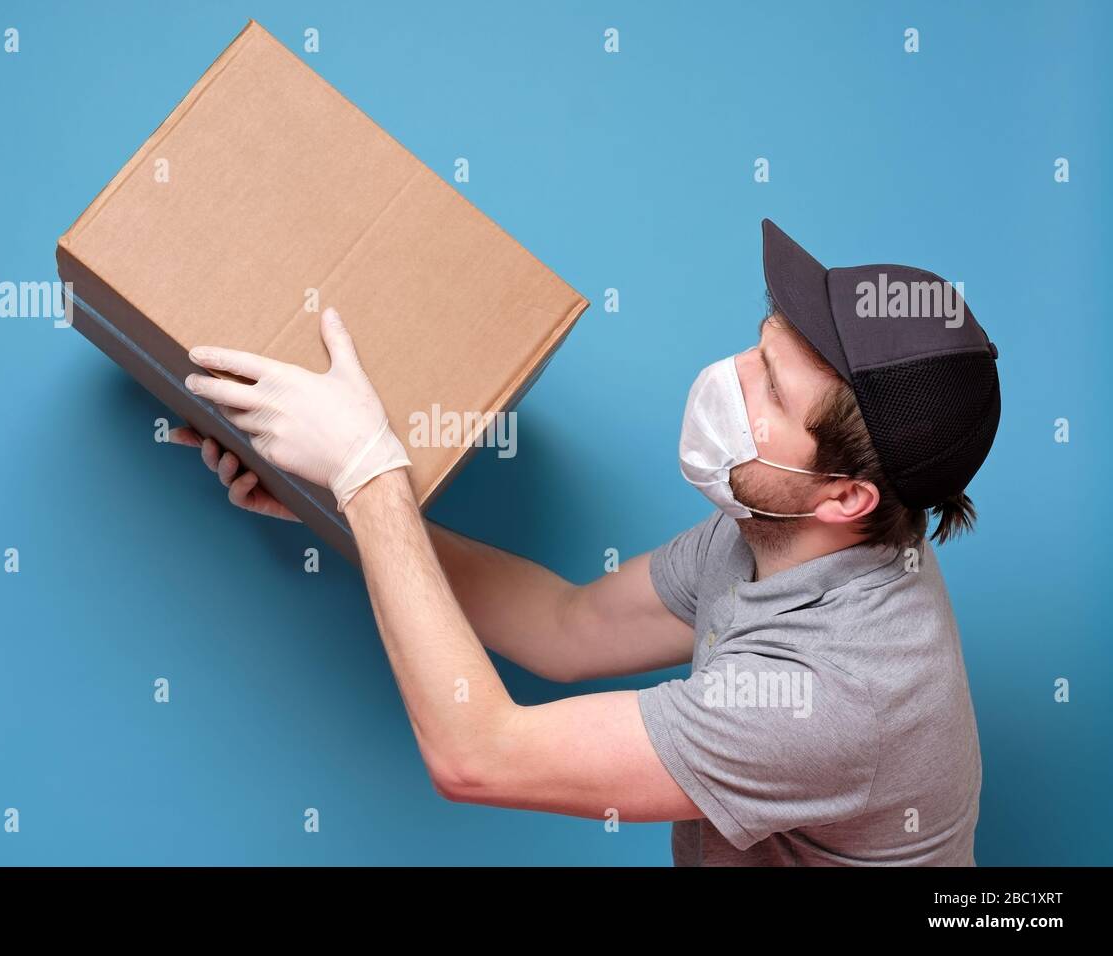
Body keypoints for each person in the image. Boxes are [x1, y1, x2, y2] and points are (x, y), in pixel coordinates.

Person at [171, 219, 1000, 866]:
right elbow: (565, 626)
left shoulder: (834, 696)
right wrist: (342, 506)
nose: (730, 374)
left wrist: (368, 473)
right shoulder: (779, 530)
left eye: (771, 390)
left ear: (848, 495)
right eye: (759, 344)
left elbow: (478, 755)